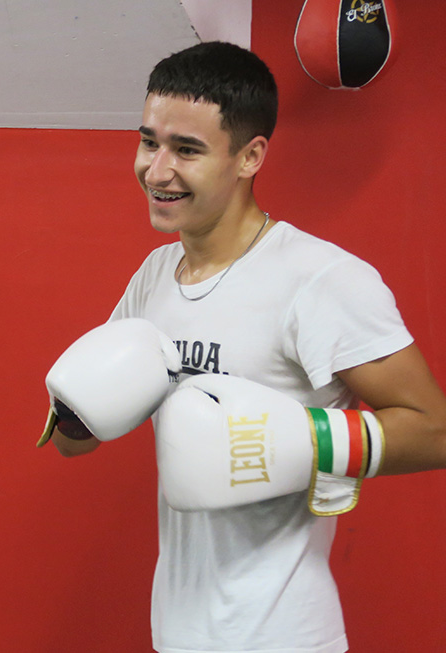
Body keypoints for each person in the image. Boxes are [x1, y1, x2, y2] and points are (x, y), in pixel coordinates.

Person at [42, 42, 446, 653]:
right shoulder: (154, 276)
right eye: (150, 141)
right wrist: (74, 407)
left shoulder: (317, 279)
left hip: (282, 635)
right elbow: (80, 441)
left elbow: (435, 430)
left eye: (187, 150)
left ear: (250, 156)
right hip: (177, 630)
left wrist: (302, 440)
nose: (156, 171)